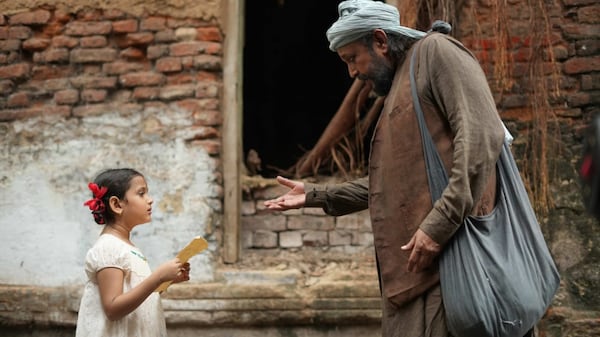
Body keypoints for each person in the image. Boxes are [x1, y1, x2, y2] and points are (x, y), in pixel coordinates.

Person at [265, 1, 530, 336]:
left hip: (455, 268)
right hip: (416, 279)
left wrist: (437, 226)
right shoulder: (400, 83)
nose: (351, 73)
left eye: (352, 59)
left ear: (380, 40)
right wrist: (316, 195)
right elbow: (392, 183)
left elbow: (482, 138)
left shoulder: (438, 52)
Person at [76, 168, 190, 337]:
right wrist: (157, 276)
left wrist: (166, 281)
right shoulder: (109, 248)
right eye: (141, 193)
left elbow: (135, 293)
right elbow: (113, 308)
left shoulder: (128, 247)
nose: (150, 200)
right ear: (116, 204)